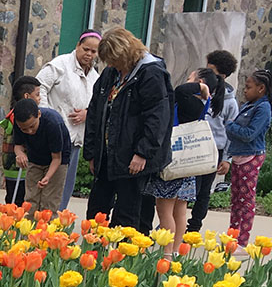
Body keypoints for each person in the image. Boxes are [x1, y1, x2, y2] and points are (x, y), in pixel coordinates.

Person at [84, 27, 173, 233]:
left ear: (126, 54)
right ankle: (95, 253)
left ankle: (125, 256)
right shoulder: (110, 73)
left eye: (116, 61)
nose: (113, 66)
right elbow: (95, 112)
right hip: (108, 153)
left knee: (128, 213)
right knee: (97, 211)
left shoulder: (151, 73)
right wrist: (91, 152)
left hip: (133, 158)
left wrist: (142, 152)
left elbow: (157, 118)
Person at [145, 70, 223, 256]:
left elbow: (179, 91)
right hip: (189, 166)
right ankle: (176, 251)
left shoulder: (189, 101)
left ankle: (166, 252)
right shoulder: (201, 104)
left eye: (191, 78)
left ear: (200, 81)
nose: (187, 81)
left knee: (164, 210)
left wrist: (200, 87)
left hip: (174, 163)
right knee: (180, 211)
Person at [36, 31, 101, 210]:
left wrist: (87, 113)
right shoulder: (60, 65)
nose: (89, 54)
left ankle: (57, 218)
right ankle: (41, 217)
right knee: (47, 180)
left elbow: (99, 104)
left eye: (94, 52)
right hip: (53, 135)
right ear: (78, 46)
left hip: (74, 138)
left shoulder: (95, 76)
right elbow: (39, 87)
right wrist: (47, 118)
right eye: (86, 49)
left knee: (65, 184)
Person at [188, 50, 240, 233]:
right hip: (192, 146)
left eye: (210, 70)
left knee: (203, 192)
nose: (206, 72)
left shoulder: (230, 103)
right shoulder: (197, 91)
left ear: (222, 75)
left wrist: (227, 158)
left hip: (212, 151)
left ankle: (193, 228)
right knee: (183, 188)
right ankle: (172, 224)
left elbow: (231, 132)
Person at [219, 69, 272, 247]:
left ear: (261, 88)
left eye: (248, 87)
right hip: (239, 155)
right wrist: (233, 128)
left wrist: (229, 125)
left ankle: (242, 241)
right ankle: (232, 236)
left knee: (246, 200)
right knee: (236, 199)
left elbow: (249, 134)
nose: (244, 90)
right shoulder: (248, 105)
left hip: (251, 156)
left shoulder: (263, 108)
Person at [12, 99, 70, 211]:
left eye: (32, 126)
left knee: (49, 200)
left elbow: (57, 158)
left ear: (39, 114)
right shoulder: (18, 122)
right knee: (30, 199)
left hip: (58, 159)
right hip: (35, 157)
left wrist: (47, 177)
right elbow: (18, 146)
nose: (29, 131)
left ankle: (47, 225)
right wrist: (20, 154)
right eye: (24, 129)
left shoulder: (53, 123)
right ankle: (29, 225)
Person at [0, 76, 41, 206]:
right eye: (38, 94)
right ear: (27, 96)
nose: (40, 98)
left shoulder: (12, 114)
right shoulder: (22, 117)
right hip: (20, 168)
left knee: (13, 199)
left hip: (11, 167)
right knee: (19, 203)